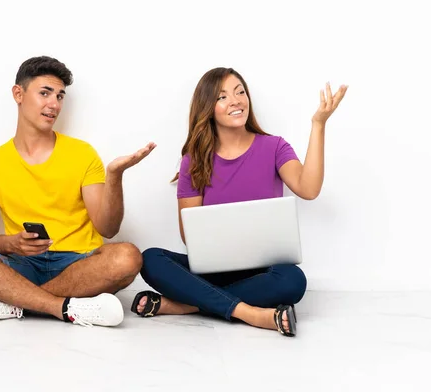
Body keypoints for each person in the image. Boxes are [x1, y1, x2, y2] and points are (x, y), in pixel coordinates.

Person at [0, 56, 156, 327]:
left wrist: (115, 176)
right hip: (21, 265)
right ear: (18, 94)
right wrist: (11, 243)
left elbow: (108, 228)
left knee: (127, 257)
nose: (54, 104)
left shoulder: (82, 154)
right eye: (45, 93)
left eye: (60, 96)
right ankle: (61, 307)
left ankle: (15, 303)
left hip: (78, 264)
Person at [131, 67, 347, 337]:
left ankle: (187, 305)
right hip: (213, 270)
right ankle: (251, 313)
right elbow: (190, 237)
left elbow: (309, 188)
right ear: (208, 108)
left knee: (293, 280)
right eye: (222, 97)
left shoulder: (275, 147)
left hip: (262, 272)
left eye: (240, 92)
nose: (235, 100)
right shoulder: (194, 161)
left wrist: (319, 125)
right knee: (151, 259)